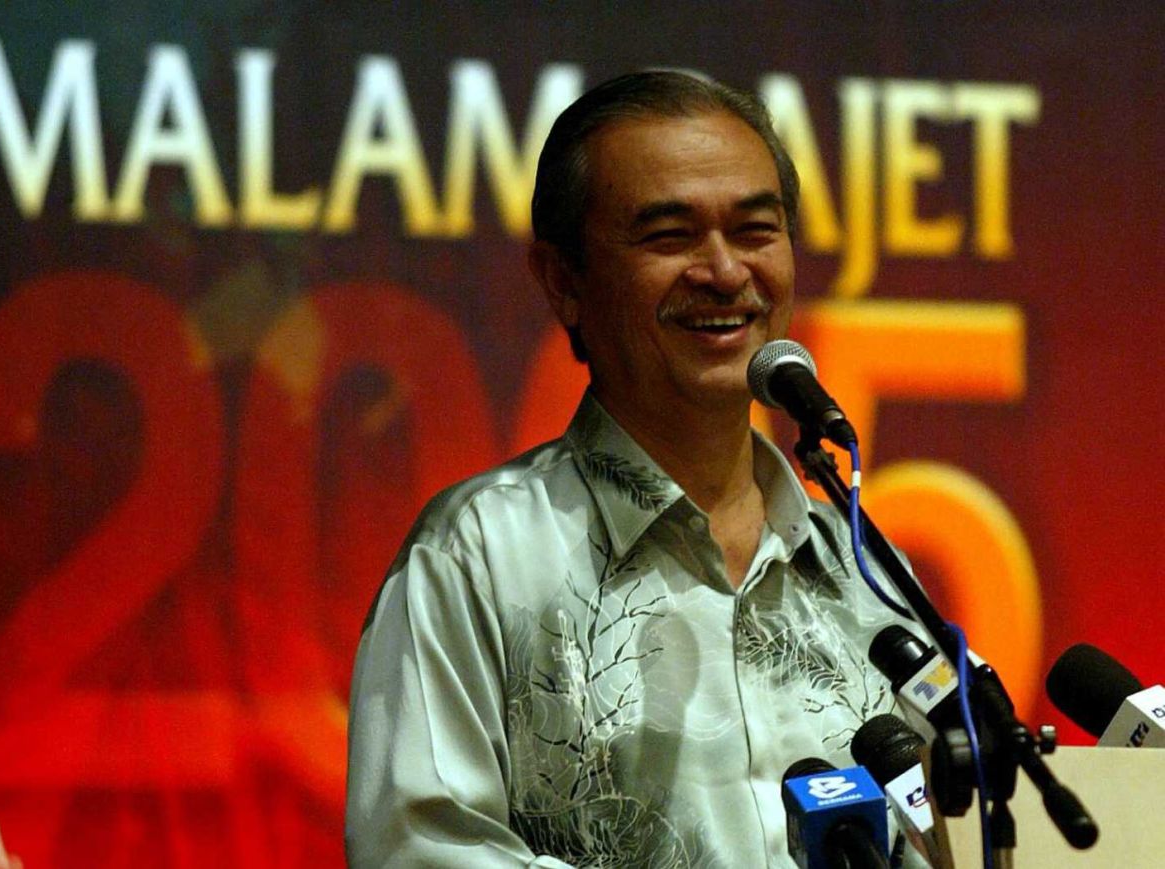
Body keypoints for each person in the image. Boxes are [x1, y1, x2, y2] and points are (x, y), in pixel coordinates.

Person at [346, 71, 920, 867]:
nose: (724, 272)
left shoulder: (865, 570)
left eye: (756, 229)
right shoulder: (478, 553)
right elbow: (420, 847)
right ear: (563, 280)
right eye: (669, 236)